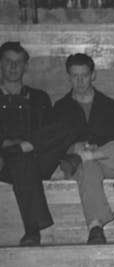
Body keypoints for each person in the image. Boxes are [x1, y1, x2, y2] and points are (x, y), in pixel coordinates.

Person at [0, 40, 79, 246]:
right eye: (8, 61)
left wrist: (28, 144)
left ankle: (22, 149)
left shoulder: (39, 97)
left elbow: (50, 133)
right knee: (21, 160)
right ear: (0, 63)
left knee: (69, 124)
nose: (14, 66)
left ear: (26, 66)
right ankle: (32, 231)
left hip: (38, 158)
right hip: (4, 163)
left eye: (19, 62)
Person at [48, 52, 114, 244]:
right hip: (76, 164)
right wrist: (73, 147)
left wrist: (96, 149)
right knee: (87, 163)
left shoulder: (108, 105)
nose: (80, 80)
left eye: (84, 75)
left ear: (93, 75)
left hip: (106, 160)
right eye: (75, 76)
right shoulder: (60, 107)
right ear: (68, 77)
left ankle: (95, 224)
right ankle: (95, 226)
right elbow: (52, 143)